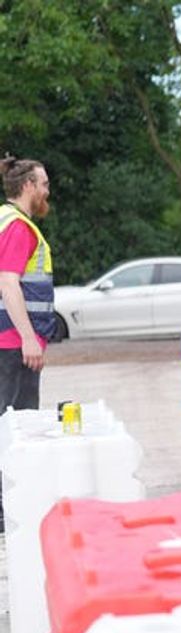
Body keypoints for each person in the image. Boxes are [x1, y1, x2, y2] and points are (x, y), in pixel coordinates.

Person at [0, 156, 55, 533]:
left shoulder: (5, 220)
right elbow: (8, 282)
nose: (48, 191)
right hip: (13, 344)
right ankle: (11, 513)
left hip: (8, 341)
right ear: (28, 186)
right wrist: (29, 338)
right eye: (44, 184)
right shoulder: (19, 226)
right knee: (17, 428)